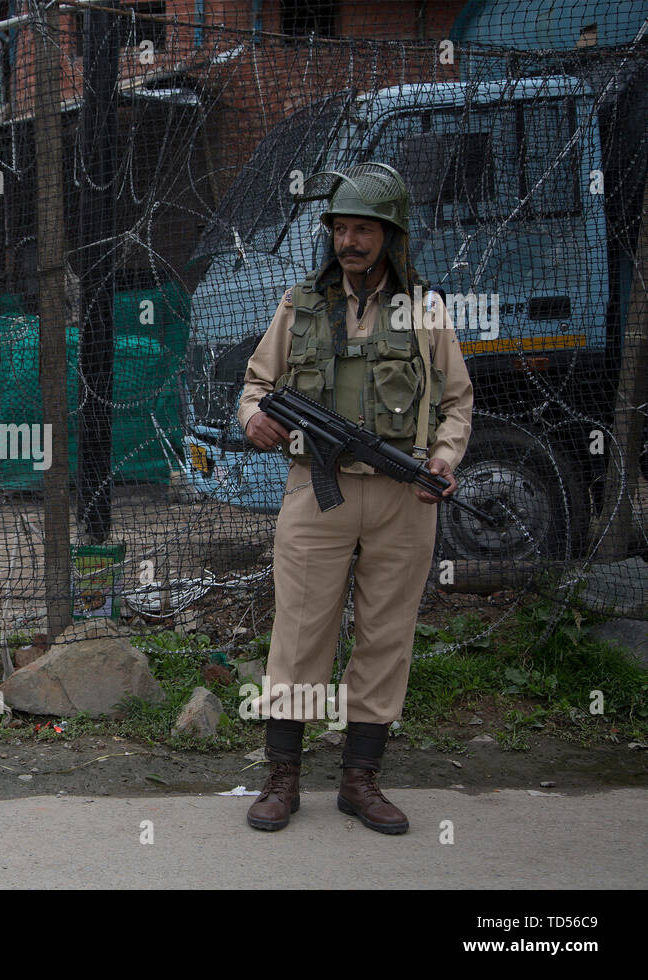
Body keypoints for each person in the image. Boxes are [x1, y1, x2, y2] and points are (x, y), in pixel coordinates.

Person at [238, 162, 473, 834]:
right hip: (317, 492)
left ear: (390, 236)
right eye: (341, 228)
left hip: (405, 498)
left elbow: (457, 402)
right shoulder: (301, 304)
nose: (350, 241)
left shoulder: (425, 311)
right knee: (301, 632)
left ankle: (360, 781)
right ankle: (282, 779)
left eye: (364, 229)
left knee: (386, 637)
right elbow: (256, 385)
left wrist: (445, 458)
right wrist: (253, 418)